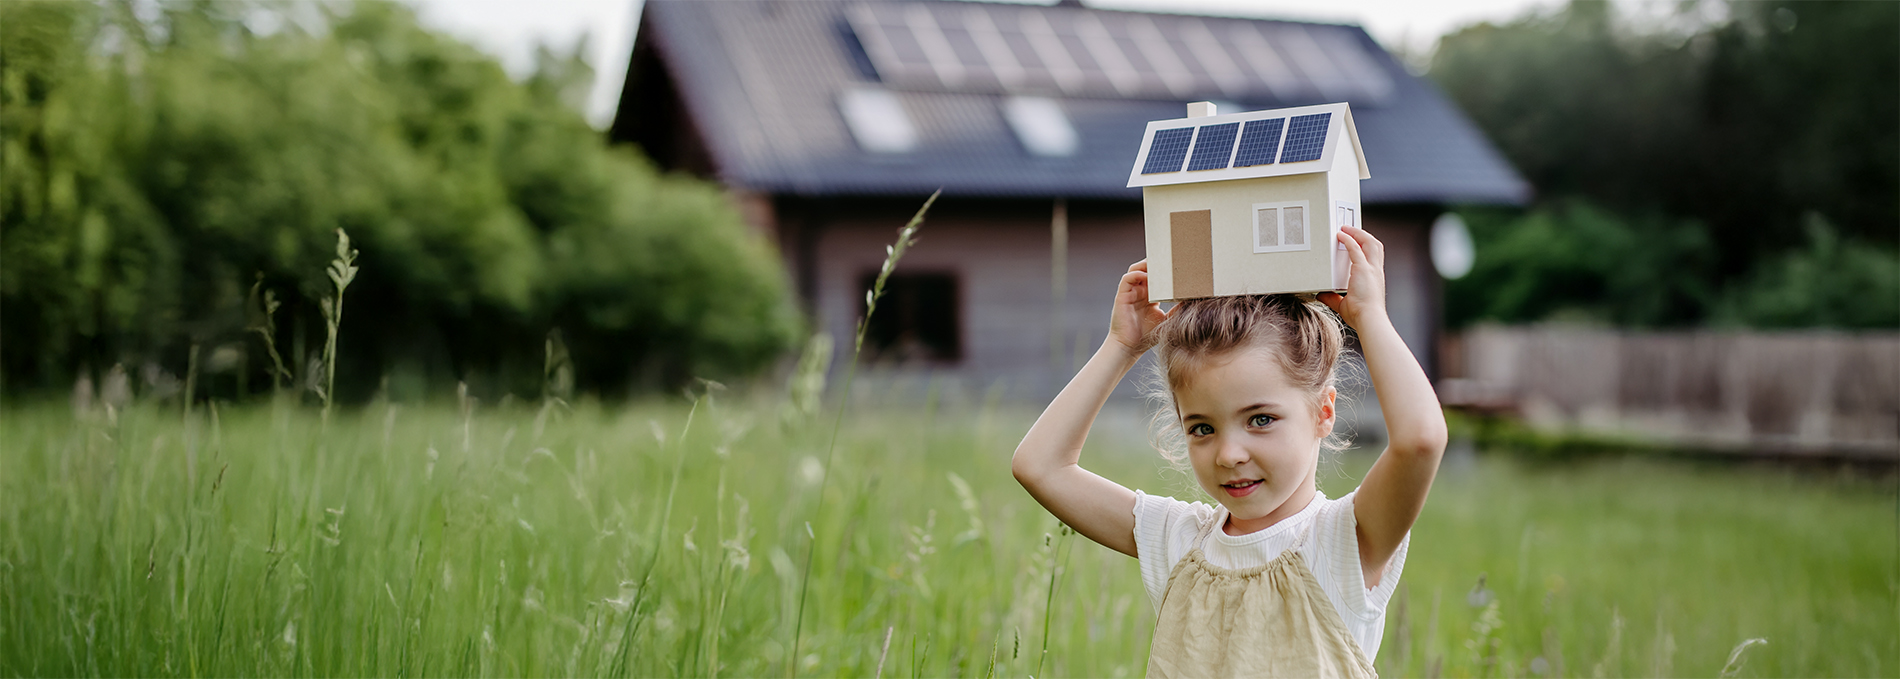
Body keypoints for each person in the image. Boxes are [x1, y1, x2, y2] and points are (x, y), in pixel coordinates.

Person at [1011, 226, 1446, 678]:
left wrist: (1370, 315)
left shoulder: (1344, 544)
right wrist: (1121, 347)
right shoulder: (1180, 543)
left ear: (1323, 411)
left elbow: (1420, 440)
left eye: (1260, 419)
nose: (1229, 454)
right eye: (1202, 428)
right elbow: (1039, 466)